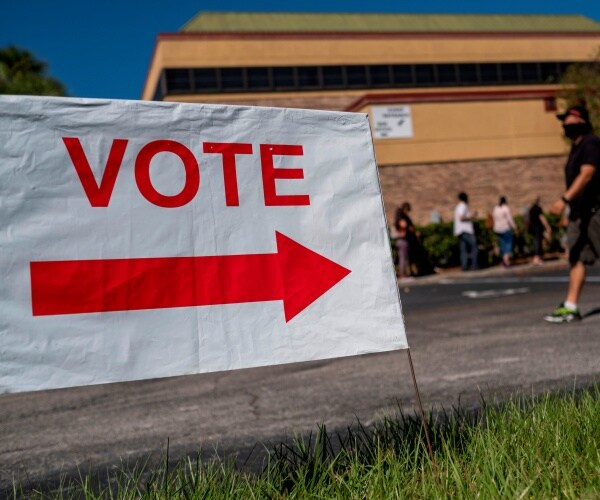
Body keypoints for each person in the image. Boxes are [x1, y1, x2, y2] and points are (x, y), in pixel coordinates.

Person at [544, 105, 600, 323]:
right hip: (579, 214)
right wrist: (570, 211)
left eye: (570, 120)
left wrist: (564, 199)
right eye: (564, 121)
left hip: (595, 212)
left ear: (582, 122)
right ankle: (571, 306)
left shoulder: (591, 143)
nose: (566, 124)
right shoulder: (575, 149)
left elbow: (587, 175)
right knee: (576, 257)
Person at [453, 192, 479, 270]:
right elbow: (462, 217)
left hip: (459, 231)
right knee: (474, 247)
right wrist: (472, 215)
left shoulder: (458, 207)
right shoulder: (463, 206)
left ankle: (464, 265)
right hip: (465, 230)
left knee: (463, 249)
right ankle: (474, 265)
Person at [492, 196, 517, 267]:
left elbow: (494, 218)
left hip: (497, 229)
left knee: (502, 243)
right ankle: (506, 260)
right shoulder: (506, 208)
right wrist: (515, 227)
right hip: (505, 228)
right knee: (509, 242)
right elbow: (510, 219)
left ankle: (503, 259)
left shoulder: (496, 208)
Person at [528, 197, 551, 265]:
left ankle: (538, 258)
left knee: (537, 241)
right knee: (538, 242)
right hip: (538, 227)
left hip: (532, 228)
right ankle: (536, 258)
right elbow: (542, 217)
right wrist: (547, 226)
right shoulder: (538, 208)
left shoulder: (531, 209)